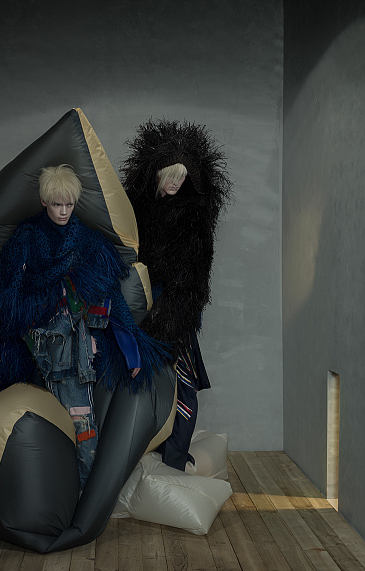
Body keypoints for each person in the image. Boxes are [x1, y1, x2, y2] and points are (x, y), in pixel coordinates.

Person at [0, 164, 169, 490]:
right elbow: (7, 297)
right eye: (57, 204)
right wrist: (55, 294)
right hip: (35, 340)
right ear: (44, 201)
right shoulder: (26, 237)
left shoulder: (88, 241)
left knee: (80, 420)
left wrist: (131, 350)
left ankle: (80, 492)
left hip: (77, 348)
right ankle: (54, 490)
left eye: (69, 204)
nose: (64, 211)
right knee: (43, 422)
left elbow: (112, 296)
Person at [121, 119, 232, 471]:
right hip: (140, 307)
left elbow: (194, 280)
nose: (176, 182)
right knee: (142, 382)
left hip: (176, 310)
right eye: (171, 174)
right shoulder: (138, 210)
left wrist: (169, 316)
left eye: (182, 177)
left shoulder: (194, 216)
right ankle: (146, 450)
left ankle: (175, 459)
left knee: (184, 384)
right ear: (156, 172)